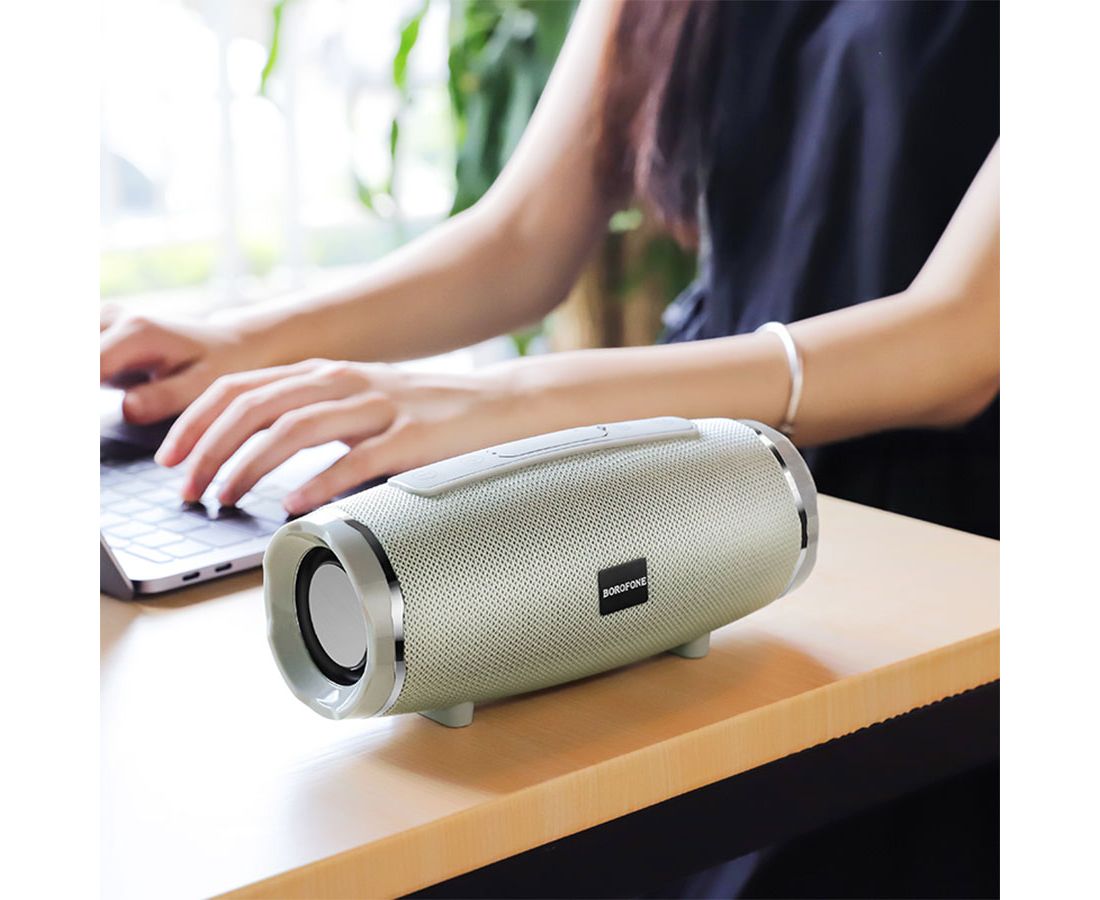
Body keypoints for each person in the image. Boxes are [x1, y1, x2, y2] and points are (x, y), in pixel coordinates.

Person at [100, 0, 999, 539]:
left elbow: (957, 345)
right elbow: (522, 241)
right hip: (711, 485)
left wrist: (509, 401)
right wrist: (239, 344)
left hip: (945, 527)